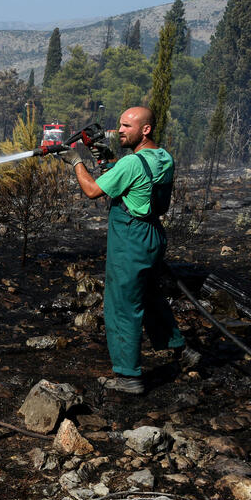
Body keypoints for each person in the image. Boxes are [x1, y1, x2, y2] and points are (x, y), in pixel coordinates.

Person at [59, 106, 199, 394]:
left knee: (122, 306)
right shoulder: (163, 157)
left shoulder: (131, 163)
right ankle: (182, 351)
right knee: (150, 297)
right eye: (119, 125)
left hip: (130, 239)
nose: (119, 130)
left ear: (145, 130)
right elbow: (134, 184)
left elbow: (93, 191)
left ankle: (128, 378)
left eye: (126, 126)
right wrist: (105, 159)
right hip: (153, 236)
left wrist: (76, 162)